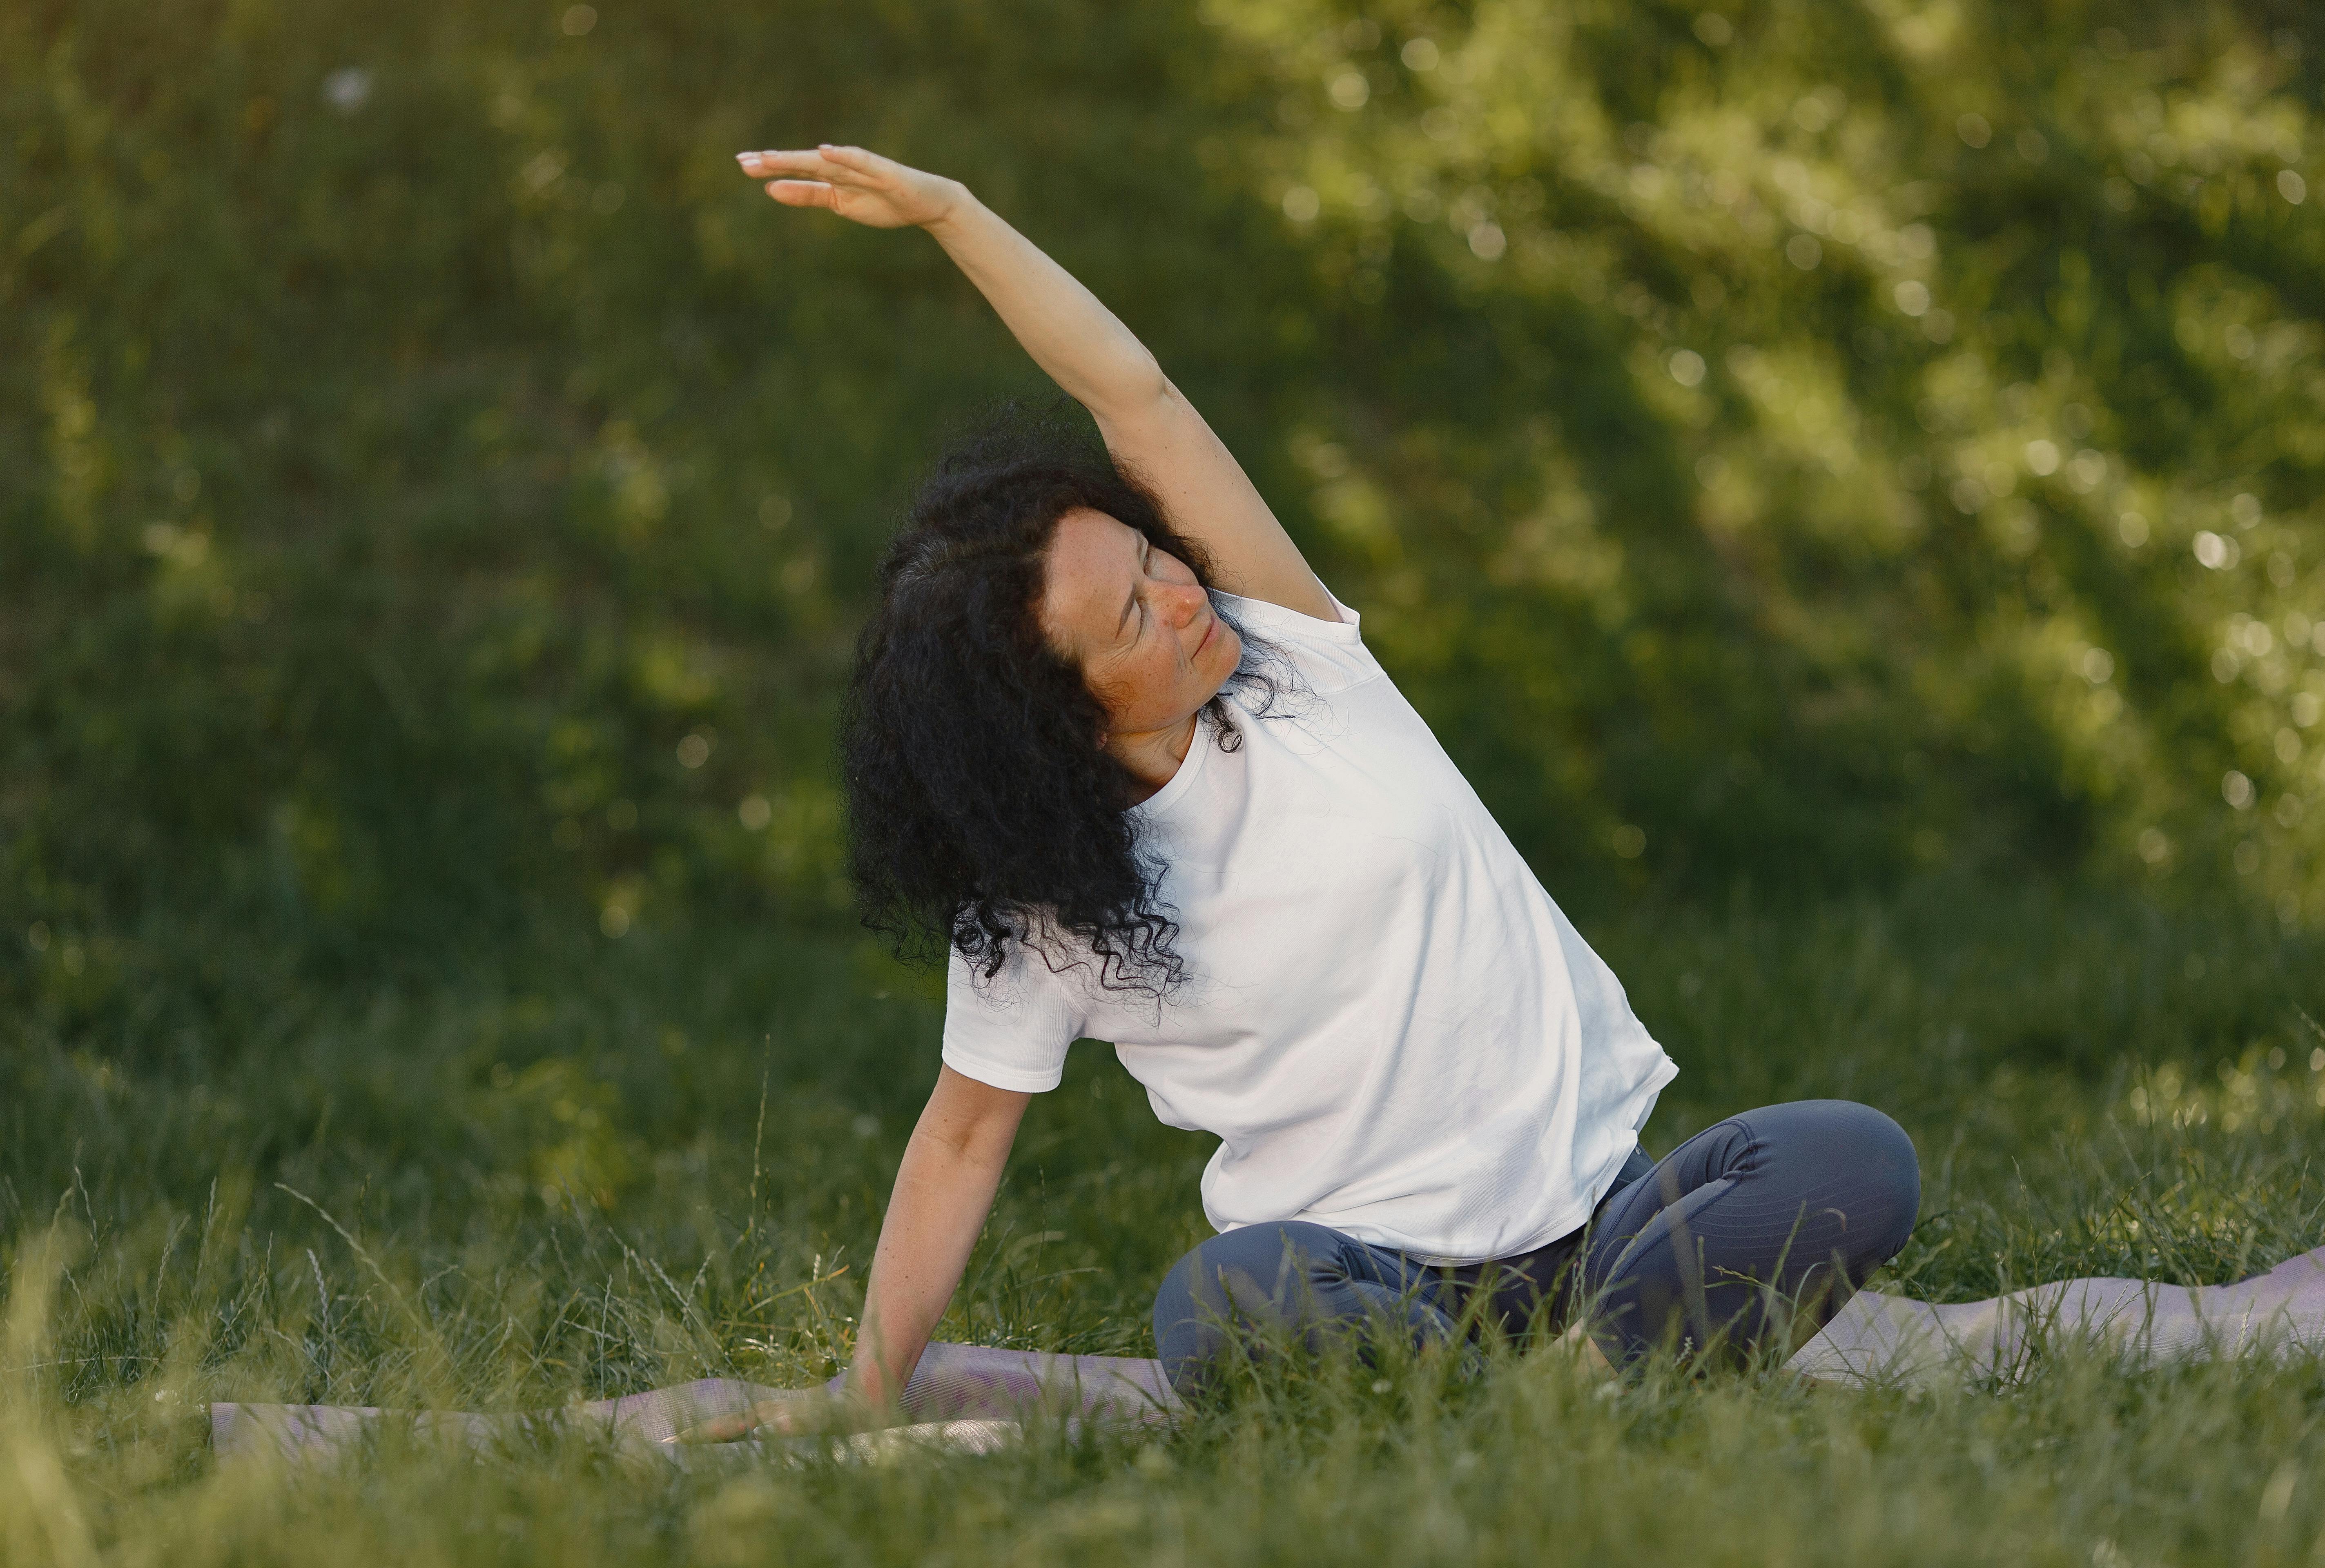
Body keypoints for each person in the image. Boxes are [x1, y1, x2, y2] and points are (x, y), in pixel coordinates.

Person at [729, 143, 1920, 1422]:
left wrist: (958, 213)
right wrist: (866, 1390)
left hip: (1608, 1221)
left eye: (1152, 556)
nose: (1183, 594)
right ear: (1055, 724)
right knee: (1220, 1305)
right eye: (1132, 617)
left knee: (1850, 1159)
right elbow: (960, 1143)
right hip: (1366, 1279)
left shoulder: (1290, 655)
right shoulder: (1044, 905)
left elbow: (1141, 403)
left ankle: (1557, 1390)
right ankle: (1553, 1396)